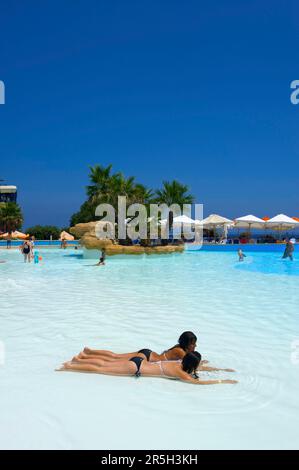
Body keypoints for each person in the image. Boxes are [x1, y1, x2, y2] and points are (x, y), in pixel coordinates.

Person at [56, 351, 237, 385]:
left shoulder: (178, 364)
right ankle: (69, 366)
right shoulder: (181, 373)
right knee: (100, 368)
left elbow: (199, 369)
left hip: (139, 361)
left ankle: (77, 360)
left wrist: (222, 370)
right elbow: (199, 383)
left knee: (106, 362)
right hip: (134, 369)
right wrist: (223, 380)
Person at [81, 331, 207, 363]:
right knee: (114, 358)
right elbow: (191, 364)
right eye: (193, 343)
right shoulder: (180, 352)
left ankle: (90, 353)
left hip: (147, 353)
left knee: (115, 356)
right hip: (147, 359)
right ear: (187, 344)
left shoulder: (178, 347)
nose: (195, 346)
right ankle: (87, 356)